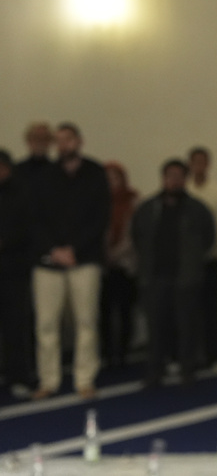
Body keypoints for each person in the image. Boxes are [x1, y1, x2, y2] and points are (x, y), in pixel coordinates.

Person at [32, 123, 111, 399]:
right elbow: (35, 219)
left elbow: (101, 217)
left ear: (80, 141)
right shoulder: (45, 176)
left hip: (85, 258)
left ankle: (84, 379)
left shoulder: (95, 173)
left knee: (86, 321)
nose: (63, 145)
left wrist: (75, 249)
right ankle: (49, 380)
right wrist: (53, 250)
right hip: (48, 261)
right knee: (46, 324)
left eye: (68, 140)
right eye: (59, 141)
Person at [132, 159, 215, 387]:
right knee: (156, 327)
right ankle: (154, 370)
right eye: (170, 176)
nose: (174, 180)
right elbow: (137, 237)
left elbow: (208, 239)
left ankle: (187, 370)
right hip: (155, 277)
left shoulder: (197, 209)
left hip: (185, 278)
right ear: (163, 178)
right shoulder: (148, 208)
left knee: (186, 327)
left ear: (185, 179)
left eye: (179, 176)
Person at [185, 146, 217, 369]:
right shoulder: (184, 190)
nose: (199, 166)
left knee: (212, 312)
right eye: (195, 162)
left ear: (208, 164)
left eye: (203, 162)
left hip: (211, 260)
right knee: (188, 313)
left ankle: (215, 356)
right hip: (186, 265)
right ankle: (191, 357)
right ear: (190, 165)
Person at [0, 149, 35, 398]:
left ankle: (19, 376)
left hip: (14, 270)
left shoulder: (21, 193)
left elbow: (26, 229)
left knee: (15, 327)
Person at [99, 161, 138, 369]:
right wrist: (105, 255)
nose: (113, 182)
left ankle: (123, 352)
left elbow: (135, 235)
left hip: (125, 266)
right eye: (108, 178)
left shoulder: (133, 201)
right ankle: (106, 353)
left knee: (125, 311)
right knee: (103, 312)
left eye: (116, 177)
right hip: (104, 266)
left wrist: (118, 254)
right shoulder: (97, 203)